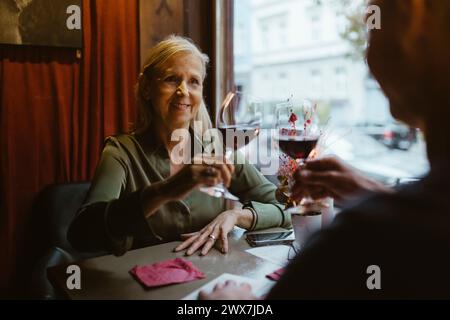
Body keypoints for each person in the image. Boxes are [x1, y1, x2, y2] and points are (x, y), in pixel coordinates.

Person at [200, 0, 450, 299]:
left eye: (371, 28)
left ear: (414, 27)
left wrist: (228, 303)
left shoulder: (358, 239)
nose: (366, 55)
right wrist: (376, 195)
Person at [67, 35, 291, 257]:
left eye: (194, 81)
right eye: (172, 79)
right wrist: (166, 190)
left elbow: (286, 208)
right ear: (146, 88)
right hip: (145, 284)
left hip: (214, 280)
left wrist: (236, 216)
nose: (184, 91)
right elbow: (81, 235)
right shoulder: (121, 152)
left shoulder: (218, 149)